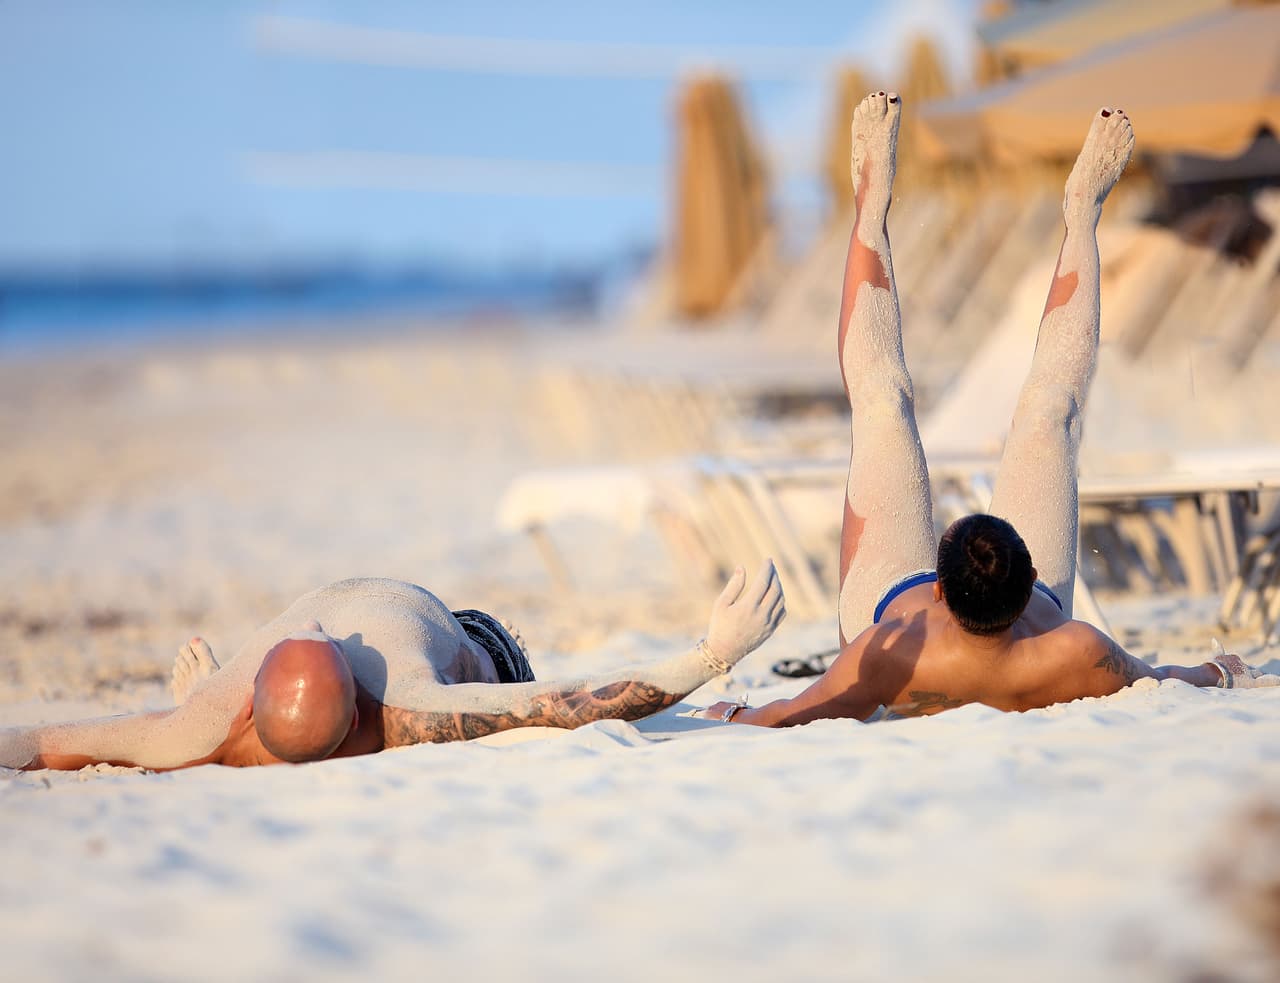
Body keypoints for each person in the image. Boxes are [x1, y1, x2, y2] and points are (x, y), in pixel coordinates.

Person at [701, 91, 1275, 727]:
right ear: (1032, 577)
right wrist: (1221, 671)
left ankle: (869, 208)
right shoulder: (1076, 650)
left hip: (884, 600)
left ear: (941, 594)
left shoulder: (883, 653)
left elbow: (788, 715)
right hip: (1029, 649)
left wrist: (724, 711)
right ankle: (1080, 216)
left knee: (883, 405)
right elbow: (1163, 678)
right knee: (1050, 412)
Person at [1, 563, 784, 770]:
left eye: (304, 636)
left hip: (231, 705)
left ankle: (206, 681)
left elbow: (54, 737)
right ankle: (490, 641)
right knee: (499, 663)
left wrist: (205, 703)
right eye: (322, 638)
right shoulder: (409, 704)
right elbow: (565, 702)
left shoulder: (206, 726)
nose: (313, 621)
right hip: (480, 644)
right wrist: (712, 652)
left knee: (180, 723)